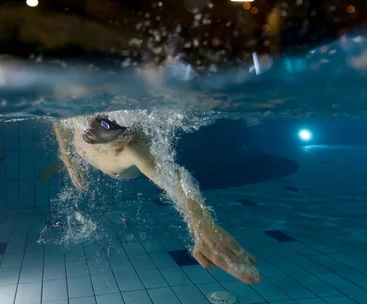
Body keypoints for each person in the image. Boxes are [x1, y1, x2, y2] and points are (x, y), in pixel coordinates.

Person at [39, 114, 261, 284]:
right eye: (92, 117)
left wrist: (203, 226)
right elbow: (61, 121)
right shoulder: (84, 123)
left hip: (129, 176)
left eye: (105, 124)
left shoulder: (132, 148)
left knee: (159, 168)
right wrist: (69, 161)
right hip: (94, 160)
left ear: (123, 134)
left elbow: (177, 181)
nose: (91, 125)